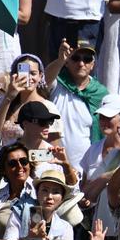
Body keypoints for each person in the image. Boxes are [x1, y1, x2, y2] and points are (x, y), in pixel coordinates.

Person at [45, 40, 111, 169]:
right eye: (75, 58)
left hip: (85, 162)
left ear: (92, 64)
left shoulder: (101, 93)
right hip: (52, 159)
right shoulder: (57, 82)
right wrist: (59, 60)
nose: (81, 64)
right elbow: (45, 80)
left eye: (86, 59)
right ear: (67, 62)